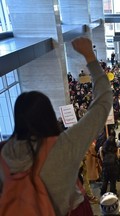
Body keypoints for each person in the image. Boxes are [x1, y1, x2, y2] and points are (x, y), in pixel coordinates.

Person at [0, 37, 113, 215]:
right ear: (49, 116)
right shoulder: (65, 146)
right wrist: (90, 56)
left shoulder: (4, 153)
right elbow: (103, 102)